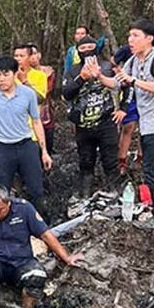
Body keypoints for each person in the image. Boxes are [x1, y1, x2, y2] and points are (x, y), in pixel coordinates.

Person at [99, 20, 154, 229]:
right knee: (150, 168)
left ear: (149, 38)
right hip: (147, 122)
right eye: (129, 35)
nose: (130, 40)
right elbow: (116, 83)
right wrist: (98, 75)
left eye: (135, 35)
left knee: (152, 169)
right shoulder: (133, 60)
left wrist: (132, 81)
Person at [0, 184, 83, 308]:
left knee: (37, 276)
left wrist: (66, 258)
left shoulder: (24, 209)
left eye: (0, 210)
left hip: (22, 261)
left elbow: (45, 235)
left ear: (9, 203)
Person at [0, 56, 52, 216]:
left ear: (15, 74)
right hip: (2, 148)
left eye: (5, 74)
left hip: (26, 145)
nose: (1, 79)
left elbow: (37, 122)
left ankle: (41, 227)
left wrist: (44, 151)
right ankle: (6, 228)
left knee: (36, 190)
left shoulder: (27, 94)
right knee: (2, 193)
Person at [62, 36, 121, 197]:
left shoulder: (108, 66)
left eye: (90, 47)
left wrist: (123, 109)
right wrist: (82, 78)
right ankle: (85, 196)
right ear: (77, 52)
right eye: (82, 48)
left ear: (96, 48)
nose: (87, 51)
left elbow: (124, 85)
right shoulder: (73, 70)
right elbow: (66, 94)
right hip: (83, 125)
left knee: (110, 161)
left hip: (106, 122)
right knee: (86, 162)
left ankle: (115, 194)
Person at [110, 45, 139, 175]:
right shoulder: (128, 49)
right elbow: (113, 61)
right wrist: (119, 73)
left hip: (149, 93)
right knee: (128, 126)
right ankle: (122, 160)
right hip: (130, 91)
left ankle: (141, 158)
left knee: (146, 128)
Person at [28, 43, 57, 154]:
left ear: (39, 55)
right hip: (28, 118)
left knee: (47, 145)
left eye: (35, 53)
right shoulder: (21, 74)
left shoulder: (48, 72)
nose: (33, 57)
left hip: (45, 114)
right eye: (30, 54)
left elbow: (46, 91)